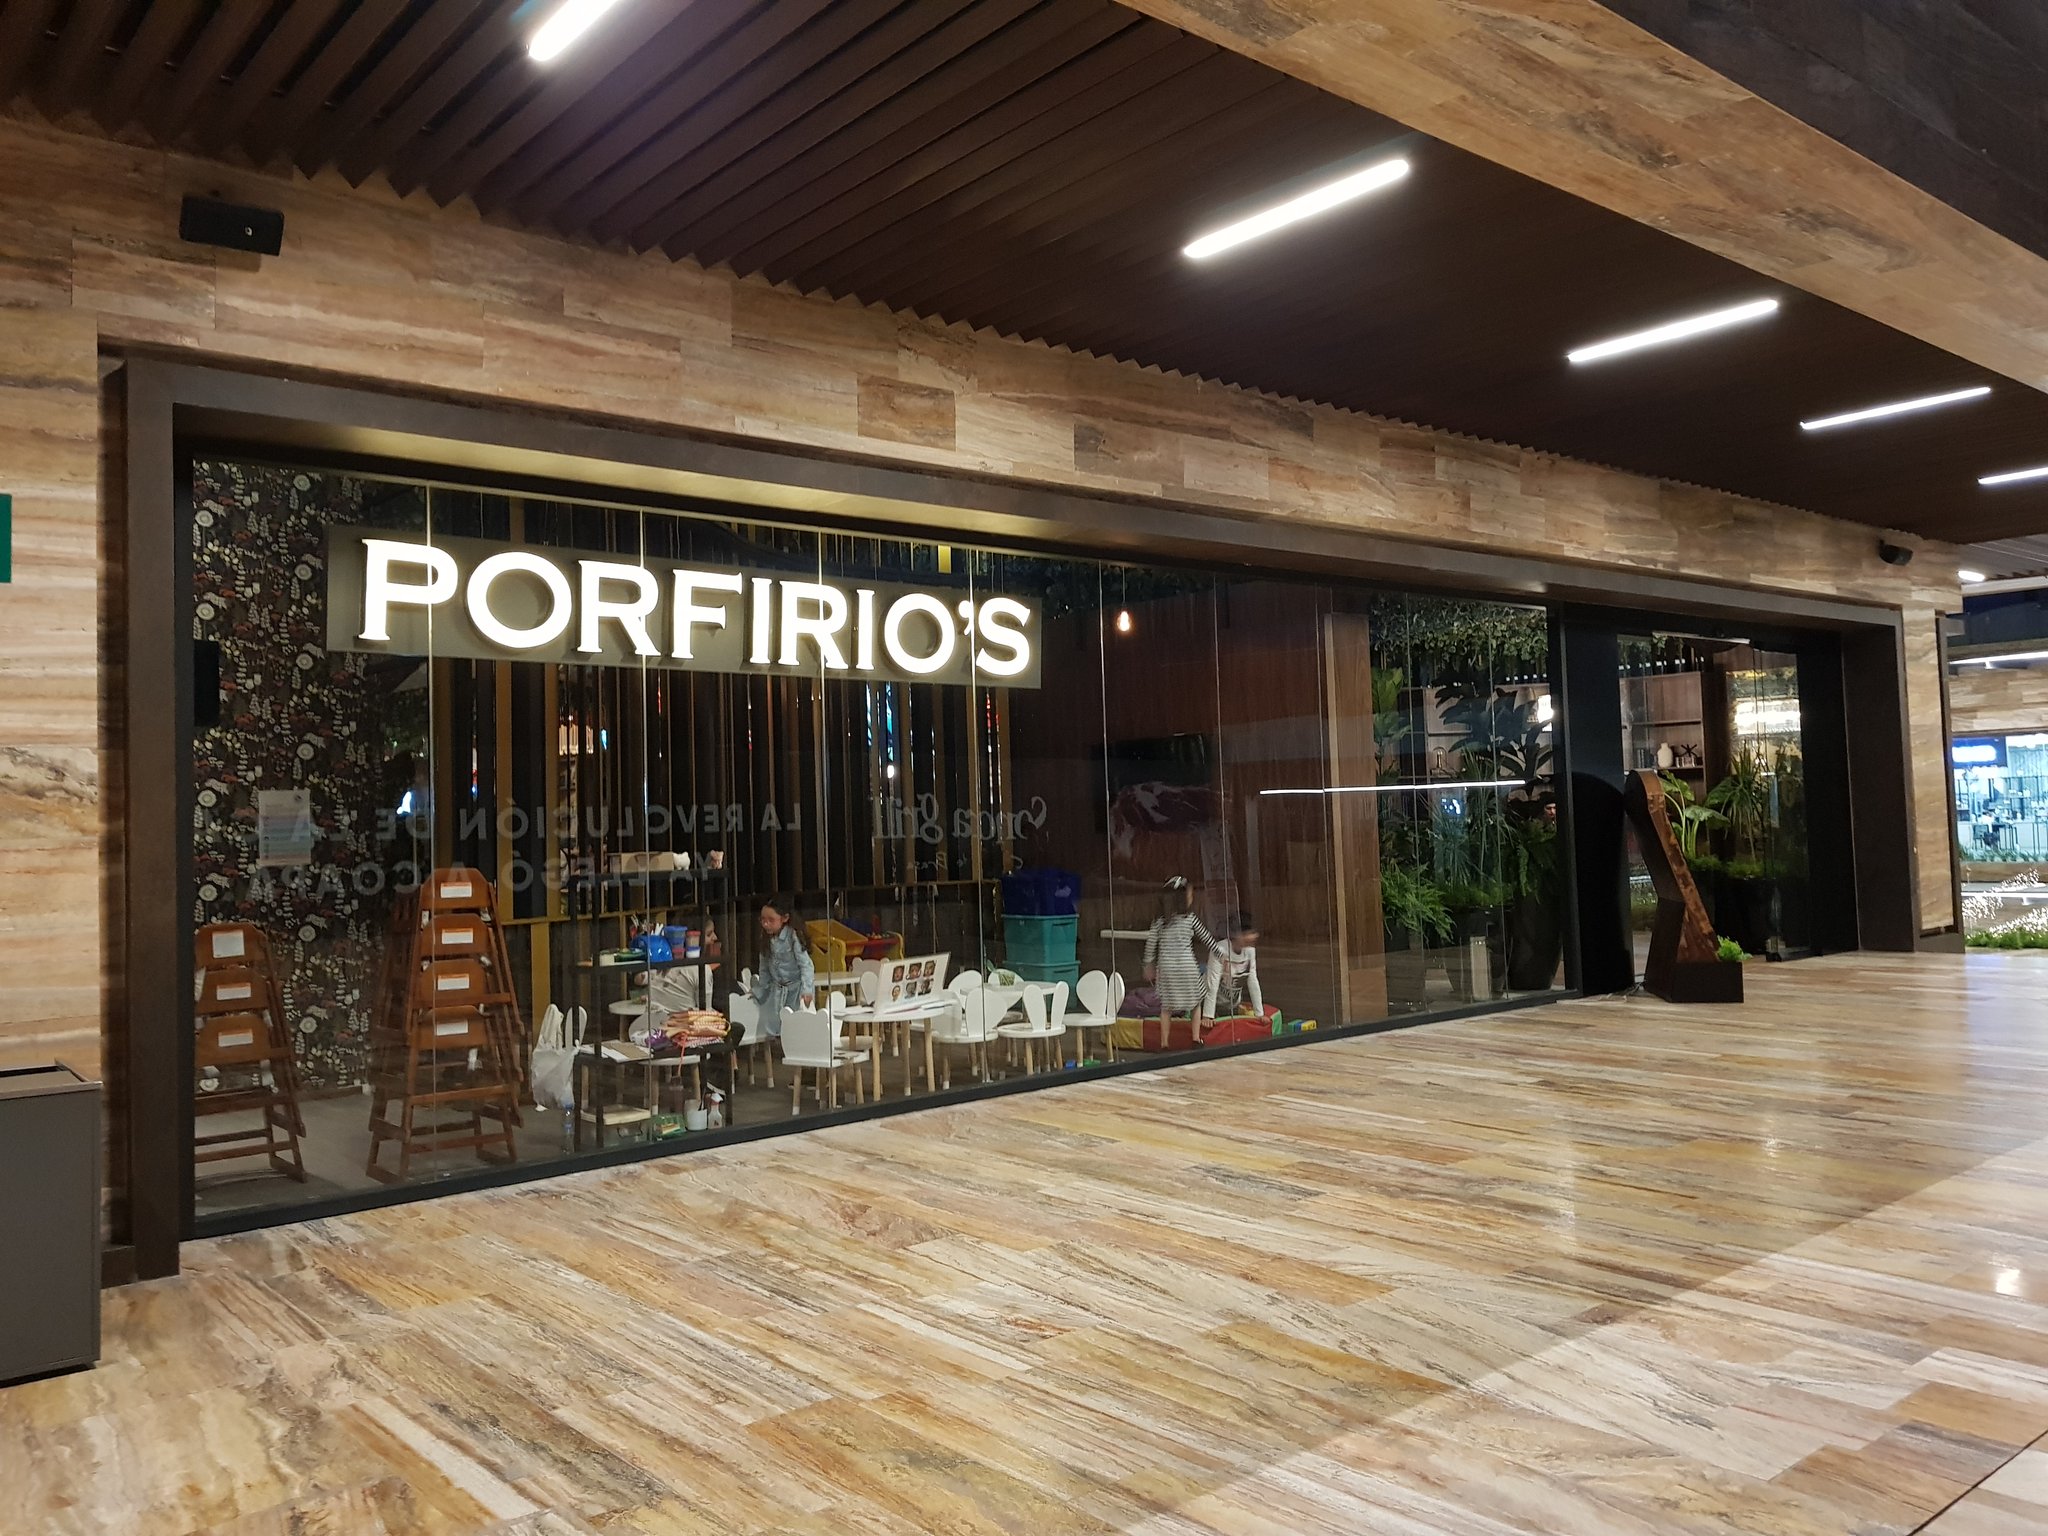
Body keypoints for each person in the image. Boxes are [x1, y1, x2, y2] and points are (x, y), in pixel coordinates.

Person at [1143, 875, 1212, 1032]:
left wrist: (1148, 964)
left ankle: (1164, 1042)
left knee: (1166, 1007)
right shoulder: (1190, 919)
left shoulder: (1159, 922)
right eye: (1190, 895)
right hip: (1187, 967)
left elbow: (1150, 945)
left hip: (1166, 969)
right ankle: (1196, 1038)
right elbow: (1207, 938)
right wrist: (1221, 953)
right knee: (1196, 1003)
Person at [754, 897, 814, 1040]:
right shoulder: (765, 938)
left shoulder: (793, 936)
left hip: (796, 990)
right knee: (775, 1025)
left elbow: (806, 965)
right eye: (763, 920)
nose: (766, 924)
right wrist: (761, 990)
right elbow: (764, 968)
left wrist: (807, 989)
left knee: (796, 1025)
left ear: (784, 918)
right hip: (777, 990)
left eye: (771, 920)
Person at [1200, 910, 1263, 1024]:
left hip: (1231, 1005)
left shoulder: (1250, 951)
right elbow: (1212, 983)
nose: (1254, 936)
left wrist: (1259, 1014)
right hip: (1208, 1003)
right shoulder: (1220, 950)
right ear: (1236, 934)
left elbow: (1252, 980)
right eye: (1249, 933)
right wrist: (1207, 1015)